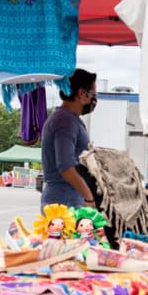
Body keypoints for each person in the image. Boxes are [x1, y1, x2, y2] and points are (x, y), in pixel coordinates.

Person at [40, 69, 98, 209]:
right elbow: (66, 166)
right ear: (82, 93)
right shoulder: (65, 121)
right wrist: (89, 198)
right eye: (93, 95)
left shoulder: (69, 119)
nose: (94, 100)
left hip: (67, 199)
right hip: (64, 201)